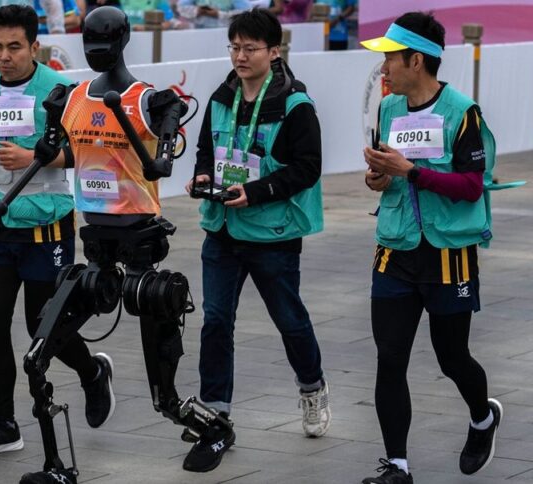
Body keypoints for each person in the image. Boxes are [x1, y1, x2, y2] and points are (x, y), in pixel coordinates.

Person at [0, 4, 114, 457]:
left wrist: (35, 159)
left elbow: (86, 151)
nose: (4, 57)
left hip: (47, 223)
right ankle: (4, 424)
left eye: (14, 47)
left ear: (35, 46)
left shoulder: (61, 90)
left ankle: (92, 373)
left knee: (43, 326)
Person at [359, 11, 503, 484]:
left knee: (452, 357)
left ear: (416, 60)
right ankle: (397, 467)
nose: (384, 68)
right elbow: (389, 177)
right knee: (389, 358)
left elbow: (471, 187)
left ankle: (482, 418)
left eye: (390, 59)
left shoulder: (463, 111)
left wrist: (411, 171)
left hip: (448, 254)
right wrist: (379, 177)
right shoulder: (388, 108)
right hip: (395, 249)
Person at [183, 7, 328, 473]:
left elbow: (308, 168)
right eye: (234, 47)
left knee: (289, 319)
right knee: (215, 320)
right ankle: (215, 413)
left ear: (274, 51)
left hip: (272, 232)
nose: (240, 56)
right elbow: (206, 149)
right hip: (222, 227)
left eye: (250, 48)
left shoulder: (295, 105)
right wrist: (202, 176)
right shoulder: (221, 96)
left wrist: (258, 191)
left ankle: (312, 386)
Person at [176, 0, 247, 29]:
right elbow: (181, 7)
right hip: (199, 32)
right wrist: (198, 10)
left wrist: (219, 14)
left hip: (226, 32)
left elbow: (246, 12)